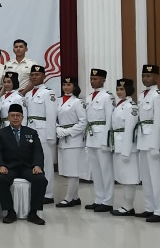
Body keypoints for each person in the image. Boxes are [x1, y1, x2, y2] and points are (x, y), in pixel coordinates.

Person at [0, 103, 47, 225]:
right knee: (0, 179)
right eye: (12, 115)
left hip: (27, 167)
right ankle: (10, 212)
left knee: (41, 179)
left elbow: (38, 151)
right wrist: (0, 165)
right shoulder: (1, 133)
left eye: (18, 115)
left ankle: (33, 213)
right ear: (8, 117)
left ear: (22, 117)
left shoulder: (31, 132)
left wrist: (37, 166)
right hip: (9, 167)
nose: (15, 118)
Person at [136, 64, 160, 222]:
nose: (145, 78)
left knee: (157, 177)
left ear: (156, 77)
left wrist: (156, 144)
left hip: (153, 141)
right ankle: (150, 207)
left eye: (148, 76)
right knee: (146, 177)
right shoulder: (142, 95)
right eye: (143, 76)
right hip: (142, 139)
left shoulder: (158, 96)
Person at [24, 65, 56, 204]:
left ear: (44, 76)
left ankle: (48, 193)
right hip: (30, 131)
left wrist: (51, 136)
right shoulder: (28, 94)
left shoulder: (48, 93)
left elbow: (51, 115)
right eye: (32, 75)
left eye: (37, 74)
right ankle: (35, 190)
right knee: (32, 162)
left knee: (46, 163)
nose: (34, 77)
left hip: (43, 131)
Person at [83, 69, 114, 212]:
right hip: (91, 136)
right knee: (95, 171)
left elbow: (109, 118)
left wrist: (107, 139)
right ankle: (99, 198)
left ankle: (107, 201)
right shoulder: (89, 97)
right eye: (91, 78)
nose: (92, 81)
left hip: (102, 136)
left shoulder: (107, 96)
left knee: (106, 170)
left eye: (96, 79)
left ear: (103, 80)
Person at [55, 76, 87, 207]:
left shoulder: (78, 102)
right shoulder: (57, 101)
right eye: (64, 84)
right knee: (67, 168)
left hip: (74, 139)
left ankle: (68, 198)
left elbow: (83, 122)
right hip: (62, 138)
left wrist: (69, 132)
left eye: (69, 85)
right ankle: (75, 196)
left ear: (74, 86)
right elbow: (54, 118)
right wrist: (57, 129)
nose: (66, 87)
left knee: (73, 170)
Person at [110, 79, 140, 217]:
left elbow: (129, 129)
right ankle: (126, 205)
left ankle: (128, 206)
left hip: (127, 145)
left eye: (122, 89)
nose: (119, 92)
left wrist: (127, 150)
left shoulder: (131, 106)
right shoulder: (119, 105)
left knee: (129, 177)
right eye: (117, 89)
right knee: (123, 176)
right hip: (118, 143)